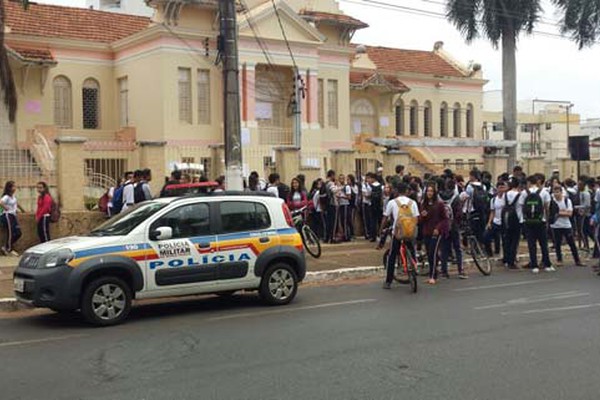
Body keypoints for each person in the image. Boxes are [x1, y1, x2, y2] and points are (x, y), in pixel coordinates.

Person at [378, 183, 419, 289]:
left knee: (392, 256)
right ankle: (414, 268)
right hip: (410, 232)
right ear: (406, 191)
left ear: (396, 191)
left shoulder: (392, 202)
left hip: (398, 233)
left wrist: (381, 229)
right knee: (412, 251)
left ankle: (388, 281)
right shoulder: (412, 202)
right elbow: (416, 218)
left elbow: (385, 217)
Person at [520, 175, 553, 273]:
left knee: (531, 244)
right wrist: (546, 220)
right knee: (543, 243)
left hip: (529, 222)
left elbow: (522, 208)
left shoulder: (524, 193)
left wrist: (525, 218)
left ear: (529, 183)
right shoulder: (544, 192)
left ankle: (534, 265)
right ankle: (547, 264)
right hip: (541, 221)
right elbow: (547, 208)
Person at [419, 183, 449, 284]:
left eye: (431, 191)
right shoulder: (423, 204)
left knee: (433, 252)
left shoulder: (439, 204)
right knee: (429, 253)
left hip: (436, 232)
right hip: (427, 231)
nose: (429, 193)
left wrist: (438, 228)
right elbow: (420, 220)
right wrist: (423, 216)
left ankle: (433, 276)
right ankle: (433, 271)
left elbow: (444, 219)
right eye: (428, 191)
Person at [549, 184, 583, 267]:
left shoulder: (567, 201)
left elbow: (570, 213)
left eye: (558, 192)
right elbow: (551, 213)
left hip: (566, 225)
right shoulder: (552, 201)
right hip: (555, 225)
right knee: (557, 244)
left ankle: (577, 260)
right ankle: (559, 260)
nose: (556, 194)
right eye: (554, 192)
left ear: (561, 192)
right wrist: (563, 212)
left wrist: (559, 213)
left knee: (571, 243)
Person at [484, 180, 507, 260]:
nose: (501, 189)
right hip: (495, 222)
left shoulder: (507, 199)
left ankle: (505, 256)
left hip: (504, 222)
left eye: (503, 187)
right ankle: (489, 253)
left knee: (505, 241)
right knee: (486, 236)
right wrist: (489, 222)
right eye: (500, 187)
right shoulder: (493, 199)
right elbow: (492, 212)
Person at [503, 178, 523, 269]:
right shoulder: (519, 195)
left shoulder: (506, 194)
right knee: (515, 240)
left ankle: (506, 259)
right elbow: (520, 209)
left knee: (507, 239)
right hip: (516, 219)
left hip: (506, 217)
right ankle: (512, 260)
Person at [0, 181, 25, 256]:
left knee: (18, 233)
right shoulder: (6, 197)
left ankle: (6, 246)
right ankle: (9, 249)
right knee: (11, 232)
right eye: (13, 186)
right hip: (8, 215)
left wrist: (22, 210)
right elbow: (1, 202)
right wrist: (6, 208)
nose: (15, 188)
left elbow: (16, 204)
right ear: (9, 188)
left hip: (13, 215)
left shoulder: (13, 197)